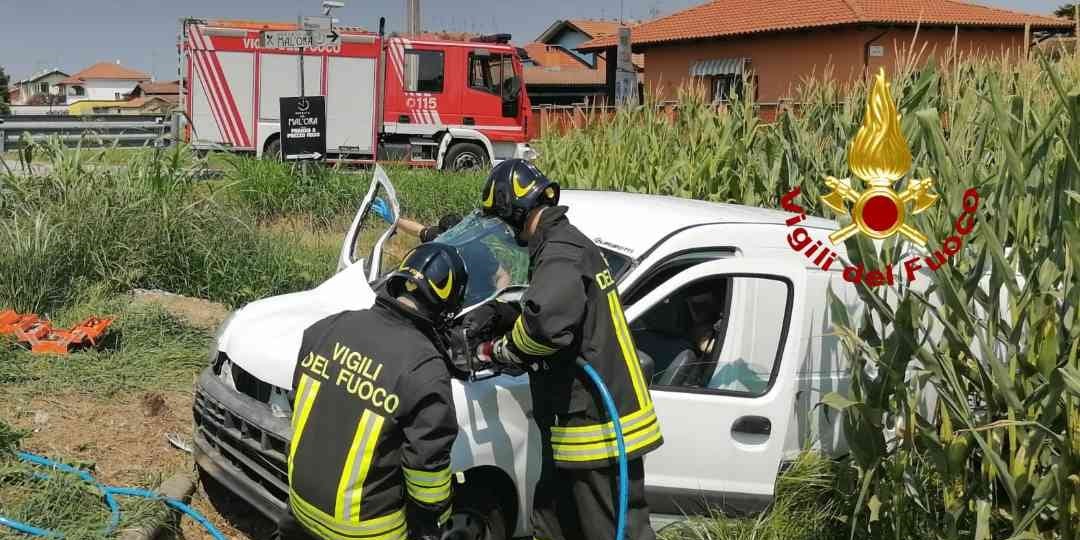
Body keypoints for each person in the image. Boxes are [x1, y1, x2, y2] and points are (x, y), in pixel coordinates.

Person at [465, 159, 663, 540]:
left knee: (613, 531)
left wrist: (498, 350)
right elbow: (560, 309)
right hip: (576, 427)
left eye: (504, 221)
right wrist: (507, 311)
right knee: (553, 525)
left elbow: (544, 331)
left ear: (516, 211)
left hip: (598, 432)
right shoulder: (562, 246)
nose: (506, 231)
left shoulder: (560, 252)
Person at [279, 242, 469, 540]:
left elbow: (303, 405)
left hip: (299, 507)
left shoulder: (327, 329)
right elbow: (426, 471)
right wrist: (435, 522)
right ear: (446, 307)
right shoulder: (425, 368)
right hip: (365, 530)